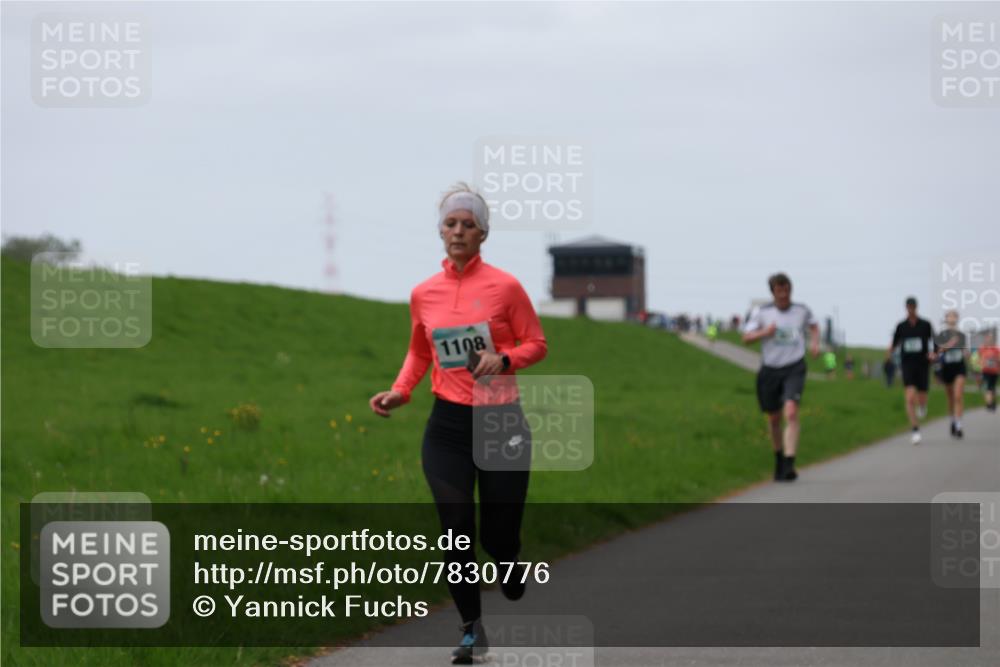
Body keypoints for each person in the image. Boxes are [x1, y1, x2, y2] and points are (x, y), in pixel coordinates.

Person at [368, 183, 547, 664]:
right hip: (446, 425)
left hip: (501, 423)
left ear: (483, 233)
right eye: (451, 223)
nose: (459, 231)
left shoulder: (505, 287)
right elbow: (419, 350)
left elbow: (536, 344)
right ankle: (471, 628)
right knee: (456, 526)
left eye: (468, 224)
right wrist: (400, 390)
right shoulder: (423, 293)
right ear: (440, 231)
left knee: (497, 536)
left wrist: (502, 360)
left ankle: (508, 563)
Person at [742, 273, 820, 481]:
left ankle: (789, 463)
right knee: (774, 418)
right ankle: (778, 457)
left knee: (792, 413)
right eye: (779, 290)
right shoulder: (762, 312)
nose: (784, 294)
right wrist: (765, 332)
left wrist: (814, 343)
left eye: (787, 290)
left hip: (794, 367)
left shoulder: (801, 310)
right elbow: (746, 338)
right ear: (773, 292)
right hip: (770, 370)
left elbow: (814, 326)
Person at [887, 297, 934, 444]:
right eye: (909, 307)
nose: (911, 309)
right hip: (907, 365)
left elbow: (936, 342)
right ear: (906, 308)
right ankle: (915, 430)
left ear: (916, 308)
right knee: (909, 397)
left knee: (922, 396)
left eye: (913, 307)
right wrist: (888, 355)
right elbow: (894, 343)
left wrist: (934, 353)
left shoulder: (925, 325)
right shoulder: (901, 326)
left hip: (923, 365)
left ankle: (923, 405)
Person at [934, 311, 969, 439]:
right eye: (950, 315)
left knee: (958, 396)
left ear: (957, 318)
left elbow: (966, 351)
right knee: (950, 398)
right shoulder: (942, 334)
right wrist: (949, 345)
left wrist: (967, 354)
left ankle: (959, 425)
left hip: (959, 366)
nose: (952, 318)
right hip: (947, 368)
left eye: (955, 315)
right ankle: (952, 421)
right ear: (946, 319)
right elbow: (938, 351)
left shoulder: (961, 335)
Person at [980, 331, 999, 412]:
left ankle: (992, 402)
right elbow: (980, 358)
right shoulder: (982, 348)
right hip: (986, 371)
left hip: (994, 371)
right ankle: (989, 404)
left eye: (990, 338)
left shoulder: (996, 349)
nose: (989, 340)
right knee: (988, 388)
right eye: (987, 338)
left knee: (992, 387)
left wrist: (994, 359)